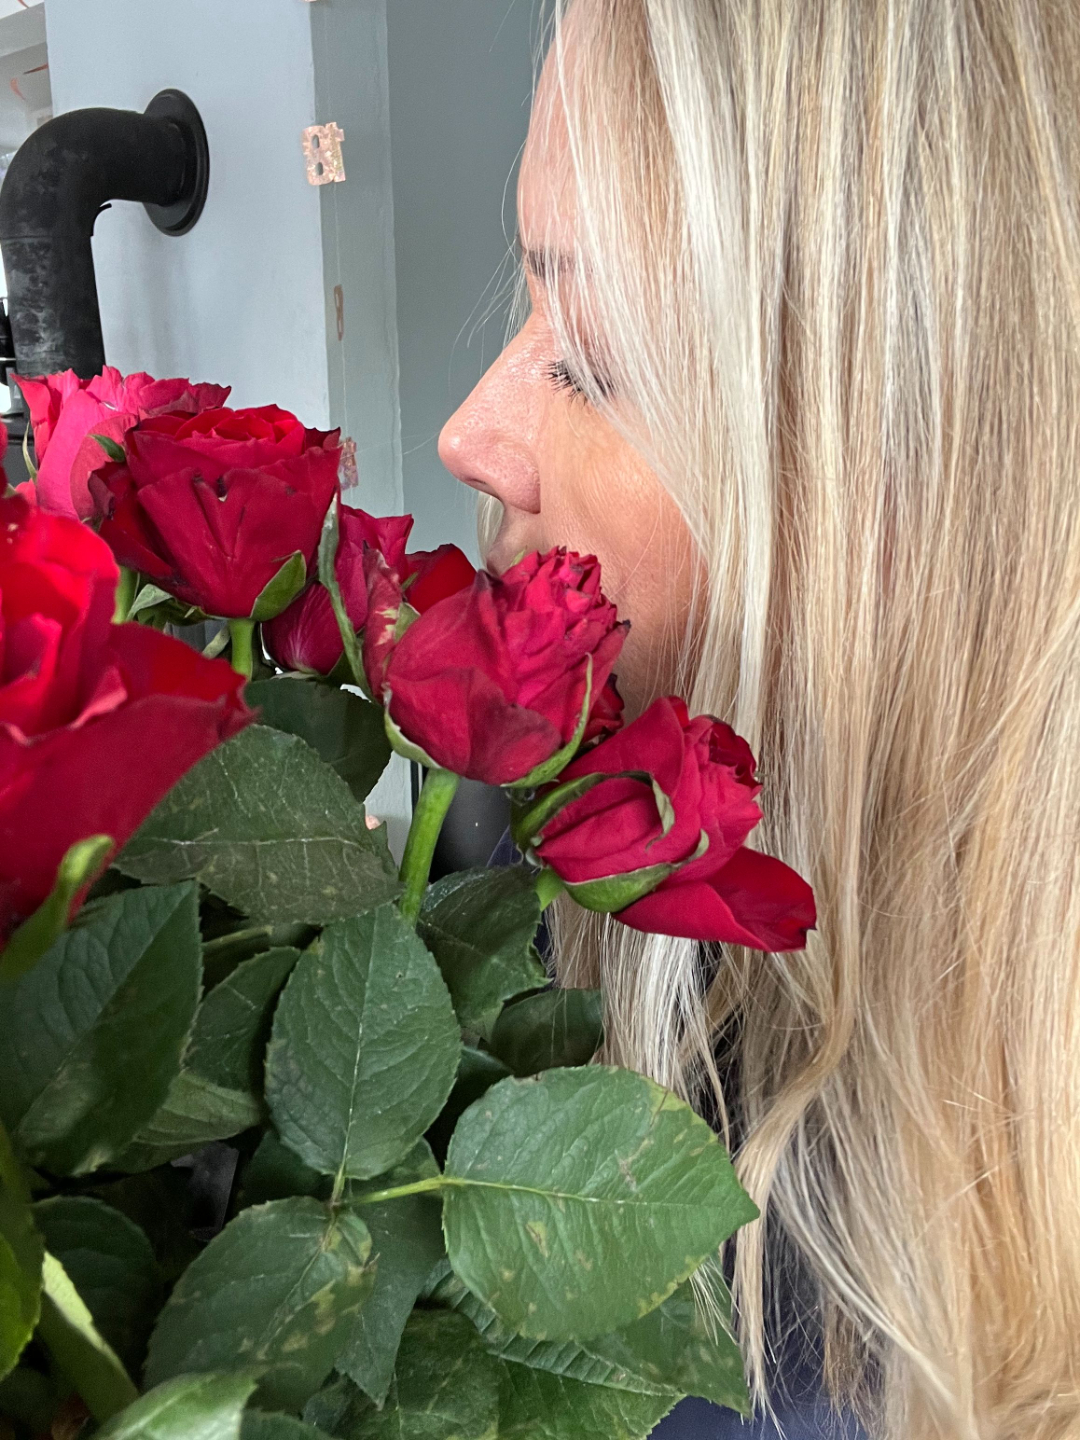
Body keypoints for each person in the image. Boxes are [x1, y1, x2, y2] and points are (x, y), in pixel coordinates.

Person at [437, 3, 1080, 1437]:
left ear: (912, 468)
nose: (469, 434)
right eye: (527, 302)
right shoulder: (526, 877)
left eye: (590, 357)